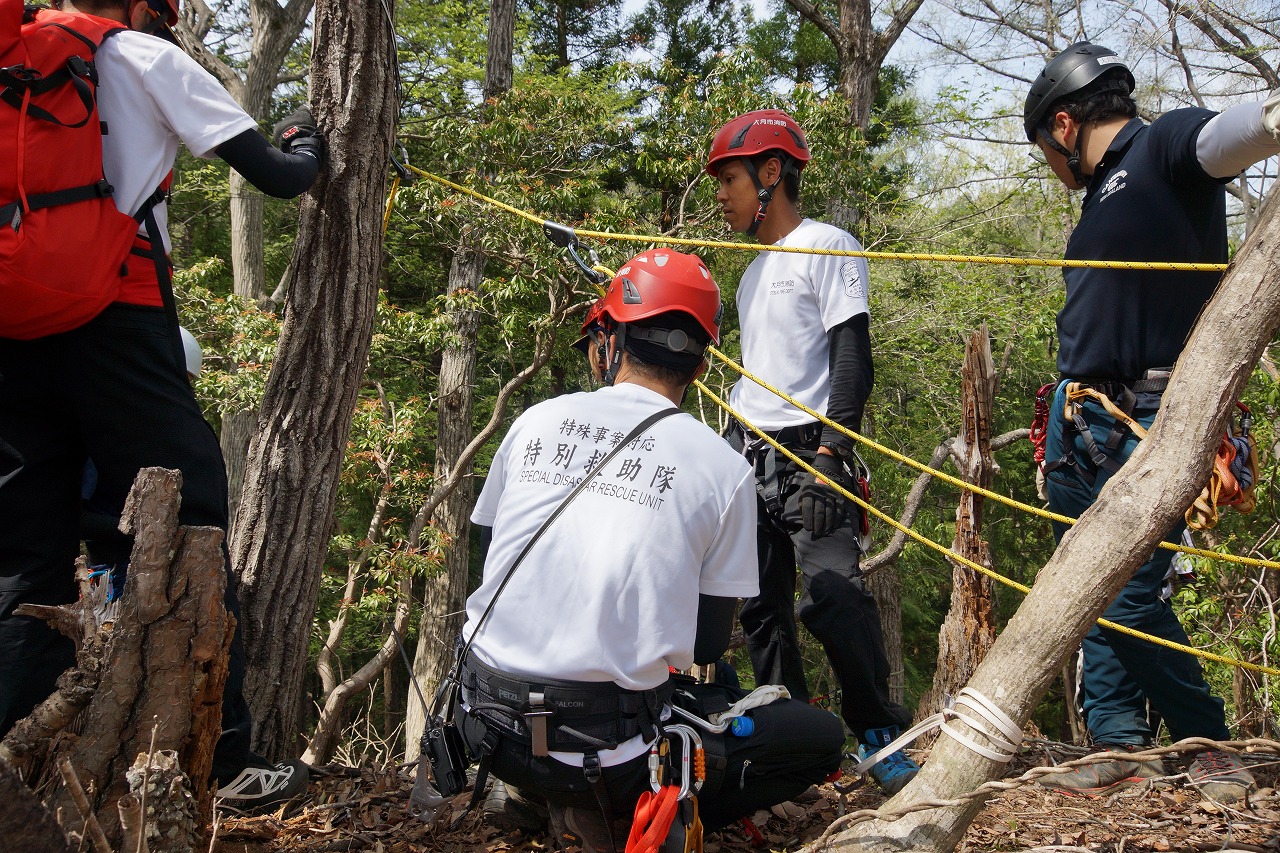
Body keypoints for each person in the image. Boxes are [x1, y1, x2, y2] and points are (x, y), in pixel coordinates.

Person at [0, 0, 323, 810]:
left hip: (8, 327)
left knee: (23, 559)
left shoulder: (15, 55)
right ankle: (224, 762)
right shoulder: (140, 56)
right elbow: (279, 180)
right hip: (119, 318)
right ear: (150, 8)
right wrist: (305, 143)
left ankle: (17, 767)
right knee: (191, 517)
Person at [456, 249, 846, 852]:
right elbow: (706, 644)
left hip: (484, 725)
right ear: (698, 364)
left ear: (606, 341)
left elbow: (490, 564)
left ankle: (536, 793)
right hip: (604, 758)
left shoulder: (535, 420)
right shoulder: (723, 467)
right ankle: (633, 809)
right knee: (815, 738)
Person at [1027, 42, 1279, 802]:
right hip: (1081, 420)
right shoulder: (1101, 199)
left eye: (1046, 148)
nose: (1051, 163)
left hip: (1145, 415)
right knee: (1086, 588)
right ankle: (1120, 743)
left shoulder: (1159, 148)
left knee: (1126, 593)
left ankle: (1208, 740)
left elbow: (1223, 137)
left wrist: (1270, 117)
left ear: (1064, 124)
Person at [705, 109, 918, 795]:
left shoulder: (828, 244)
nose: (721, 194)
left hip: (809, 450)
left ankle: (879, 729)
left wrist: (833, 451)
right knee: (762, 609)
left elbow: (852, 357)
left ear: (771, 173)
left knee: (831, 592)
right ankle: (790, 741)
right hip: (749, 451)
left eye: (730, 179)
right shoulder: (748, 277)